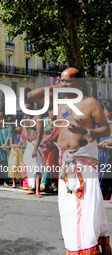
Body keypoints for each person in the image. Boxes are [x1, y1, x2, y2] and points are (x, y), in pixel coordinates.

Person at [28, 67, 111, 254]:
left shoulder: (90, 103)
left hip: (85, 160)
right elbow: (33, 95)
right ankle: (97, 244)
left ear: (78, 82)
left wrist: (85, 132)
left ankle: (88, 248)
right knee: (70, 209)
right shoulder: (57, 103)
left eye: (68, 81)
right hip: (66, 162)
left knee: (86, 205)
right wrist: (58, 85)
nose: (64, 85)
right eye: (61, 81)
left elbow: (106, 129)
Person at [40, 110, 59, 192]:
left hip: (54, 144)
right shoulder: (43, 120)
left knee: (51, 162)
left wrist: (52, 142)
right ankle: (50, 184)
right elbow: (40, 132)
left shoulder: (58, 121)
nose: (54, 113)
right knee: (45, 163)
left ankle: (44, 182)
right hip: (44, 144)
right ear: (48, 111)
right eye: (52, 111)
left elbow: (59, 133)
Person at [8, 124, 24, 188]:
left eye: (21, 126)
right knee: (13, 165)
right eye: (19, 126)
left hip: (20, 150)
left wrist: (19, 144)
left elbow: (20, 142)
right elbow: (10, 142)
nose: (20, 127)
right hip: (14, 151)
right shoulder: (12, 134)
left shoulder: (22, 134)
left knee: (20, 165)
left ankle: (20, 183)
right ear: (15, 127)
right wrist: (12, 145)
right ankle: (13, 183)